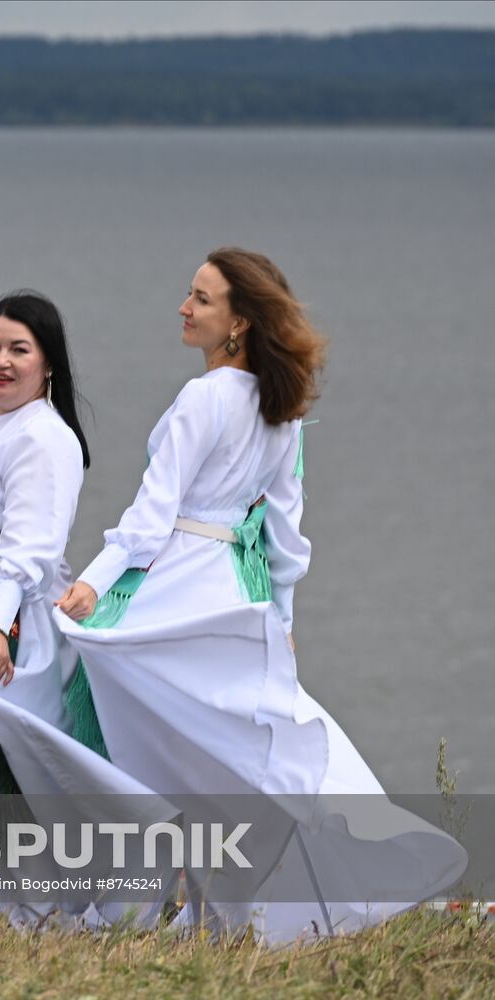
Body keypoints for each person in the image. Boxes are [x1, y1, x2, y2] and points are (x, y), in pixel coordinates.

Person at [54, 248, 465, 941]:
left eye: (201, 299)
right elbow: (286, 537)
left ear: (239, 321)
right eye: (189, 294)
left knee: (131, 732)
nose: (184, 307)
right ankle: (231, 914)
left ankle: (123, 909)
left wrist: (92, 581)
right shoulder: (282, 411)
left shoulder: (202, 398)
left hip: (175, 584)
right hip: (232, 594)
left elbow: (151, 518)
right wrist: (280, 621)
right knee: (238, 749)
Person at [0, 292, 171, 928]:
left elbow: (30, 550)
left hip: (7, 622)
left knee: (14, 763)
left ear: (48, 362)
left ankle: (39, 912)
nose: (1, 361)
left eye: (19, 350)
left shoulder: (44, 437)